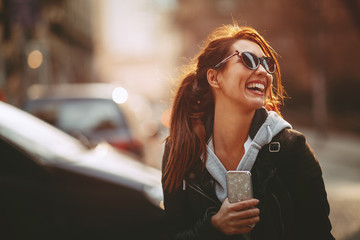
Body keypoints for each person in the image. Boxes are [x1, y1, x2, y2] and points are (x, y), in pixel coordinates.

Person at [161, 23, 335, 240]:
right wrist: (213, 226)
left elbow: (319, 234)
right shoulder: (180, 149)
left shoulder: (291, 148)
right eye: (248, 60)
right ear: (214, 78)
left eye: (267, 63)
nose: (263, 71)